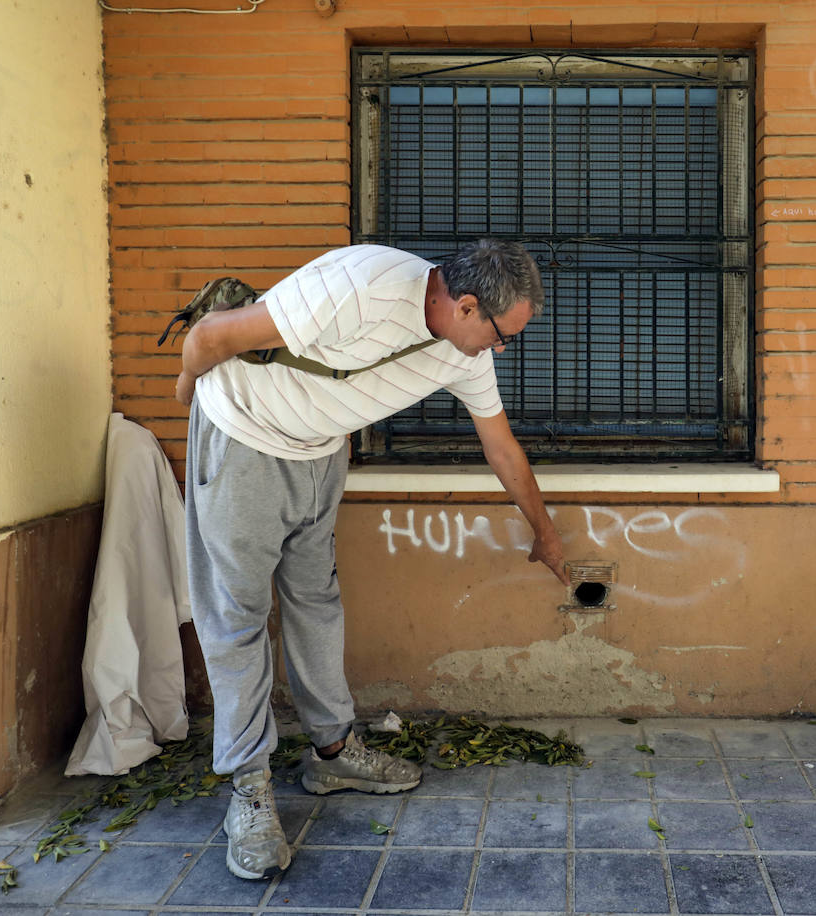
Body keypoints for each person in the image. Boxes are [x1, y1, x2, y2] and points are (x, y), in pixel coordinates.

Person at [173, 239, 569, 880]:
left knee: (315, 600)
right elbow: (210, 337)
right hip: (243, 437)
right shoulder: (361, 285)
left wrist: (545, 533)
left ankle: (331, 751)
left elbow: (502, 448)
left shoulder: (464, 353)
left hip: (319, 452)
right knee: (237, 619)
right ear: (467, 306)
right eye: (504, 337)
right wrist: (192, 393)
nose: (501, 350)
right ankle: (248, 787)